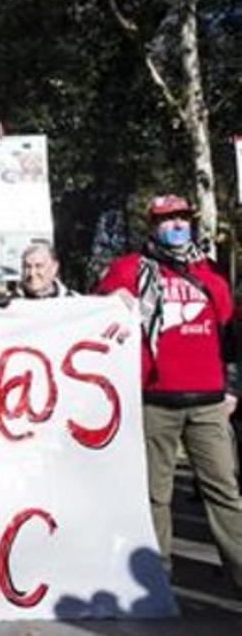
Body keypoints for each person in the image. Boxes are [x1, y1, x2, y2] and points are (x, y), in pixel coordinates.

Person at [95, 193, 242, 591]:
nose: (176, 225)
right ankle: (156, 582)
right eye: (166, 219)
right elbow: (93, 316)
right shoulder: (129, 268)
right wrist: (111, 301)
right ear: (152, 224)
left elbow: (229, 334)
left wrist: (232, 387)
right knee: (153, 496)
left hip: (209, 403)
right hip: (154, 401)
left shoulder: (210, 272)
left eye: (182, 218)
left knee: (225, 493)